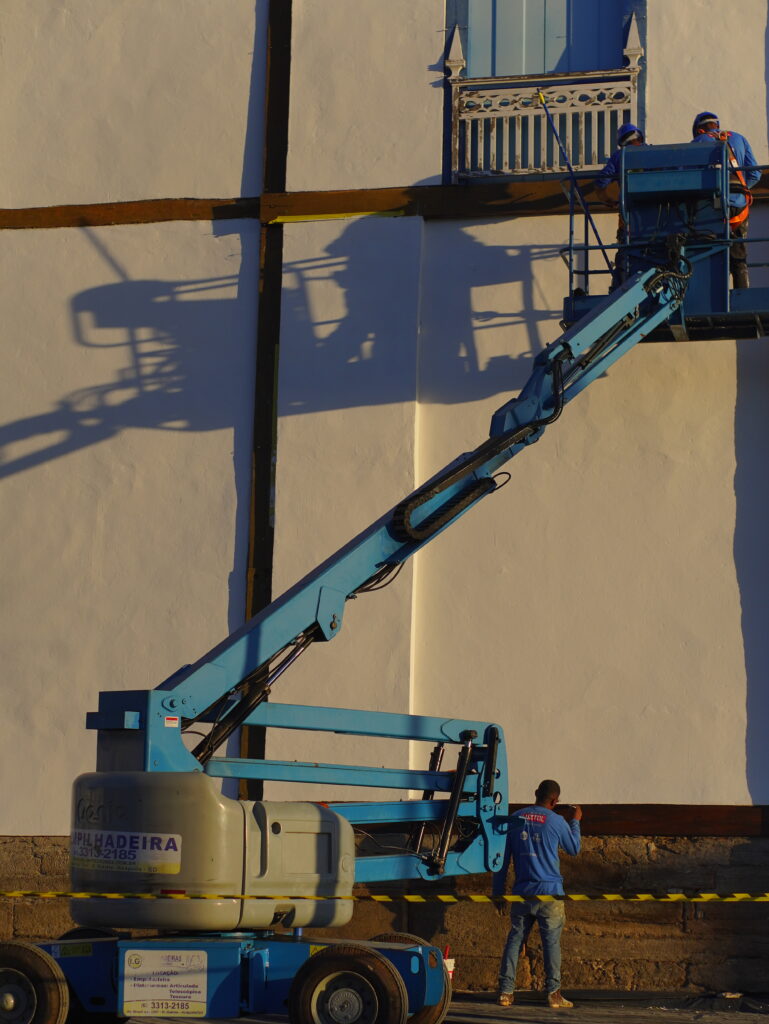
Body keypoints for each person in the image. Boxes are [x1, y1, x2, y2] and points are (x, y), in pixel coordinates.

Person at [494, 779, 582, 1009]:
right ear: (555, 801)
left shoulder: (515, 819)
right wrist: (575, 822)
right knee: (551, 943)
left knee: (515, 939)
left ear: (535, 793)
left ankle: (505, 992)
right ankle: (553, 994)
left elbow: (502, 861)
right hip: (550, 893)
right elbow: (574, 848)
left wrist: (498, 891)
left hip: (522, 892)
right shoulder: (556, 821)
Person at [690, 111, 760, 289]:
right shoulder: (739, 138)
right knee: (739, 256)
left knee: (710, 254)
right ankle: (742, 294)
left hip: (712, 207)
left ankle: (712, 295)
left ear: (699, 130)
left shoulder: (698, 142)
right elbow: (755, 173)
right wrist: (739, 192)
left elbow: (687, 178)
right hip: (739, 208)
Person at [595, 123, 646, 289]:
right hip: (657, 218)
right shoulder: (653, 152)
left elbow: (601, 182)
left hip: (629, 217)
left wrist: (606, 199)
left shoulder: (619, 156)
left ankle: (622, 286)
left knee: (626, 254)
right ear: (640, 137)